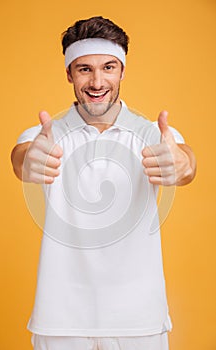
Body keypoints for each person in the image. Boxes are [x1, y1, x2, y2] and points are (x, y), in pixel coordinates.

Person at [11, 16, 196, 350]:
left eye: (108, 67)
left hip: (140, 320)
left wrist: (180, 165)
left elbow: (185, 163)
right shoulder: (43, 137)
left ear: (122, 71)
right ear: (69, 73)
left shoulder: (155, 135)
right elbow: (21, 158)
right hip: (61, 321)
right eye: (84, 69)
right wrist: (29, 160)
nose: (97, 81)